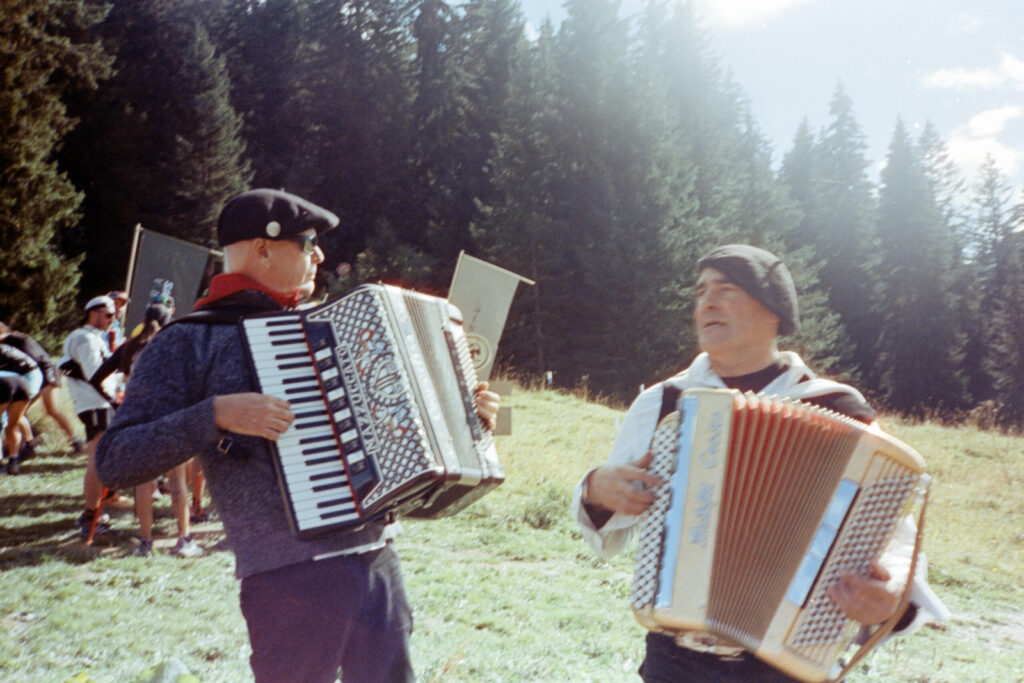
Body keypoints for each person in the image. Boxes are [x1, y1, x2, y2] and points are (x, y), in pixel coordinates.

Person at [96, 188, 500, 682]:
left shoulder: (336, 327)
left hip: (376, 558)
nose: (320, 256)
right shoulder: (185, 341)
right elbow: (115, 460)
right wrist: (214, 413)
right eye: (308, 243)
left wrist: (464, 414)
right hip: (287, 578)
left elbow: (405, 430)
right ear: (262, 249)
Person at [572, 244, 949, 682]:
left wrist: (892, 594)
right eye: (701, 292)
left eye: (726, 289)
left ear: (773, 310)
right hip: (673, 659)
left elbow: (895, 541)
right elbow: (607, 532)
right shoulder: (663, 402)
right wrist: (595, 489)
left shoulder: (838, 407)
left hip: (785, 659)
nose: (707, 302)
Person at [89, 303, 200, 557]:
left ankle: (145, 543)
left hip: (136, 415)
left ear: (143, 318)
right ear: (169, 321)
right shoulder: (173, 345)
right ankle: (184, 539)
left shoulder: (130, 346)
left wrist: (112, 400)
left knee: (144, 479)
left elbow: (98, 376)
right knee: (177, 479)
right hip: (170, 413)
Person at [60, 295, 122, 537]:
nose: (112, 320)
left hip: (96, 402)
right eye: (109, 315)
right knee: (97, 458)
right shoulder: (85, 339)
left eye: (114, 315)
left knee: (100, 457)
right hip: (96, 404)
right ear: (93, 313)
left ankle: (94, 512)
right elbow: (96, 375)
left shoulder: (90, 338)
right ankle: (90, 516)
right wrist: (112, 399)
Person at [0, 321, 85, 456]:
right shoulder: (12, 340)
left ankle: (76, 441)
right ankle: (25, 445)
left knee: (52, 409)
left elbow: (35, 359)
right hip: (35, 375)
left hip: (46, 373)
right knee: (20, 411)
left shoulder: (17, 339)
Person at [0, 342, 43, 474]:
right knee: (12, 425)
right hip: (22, 382)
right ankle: (13, 461)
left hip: (4, 384)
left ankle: (0, 465)